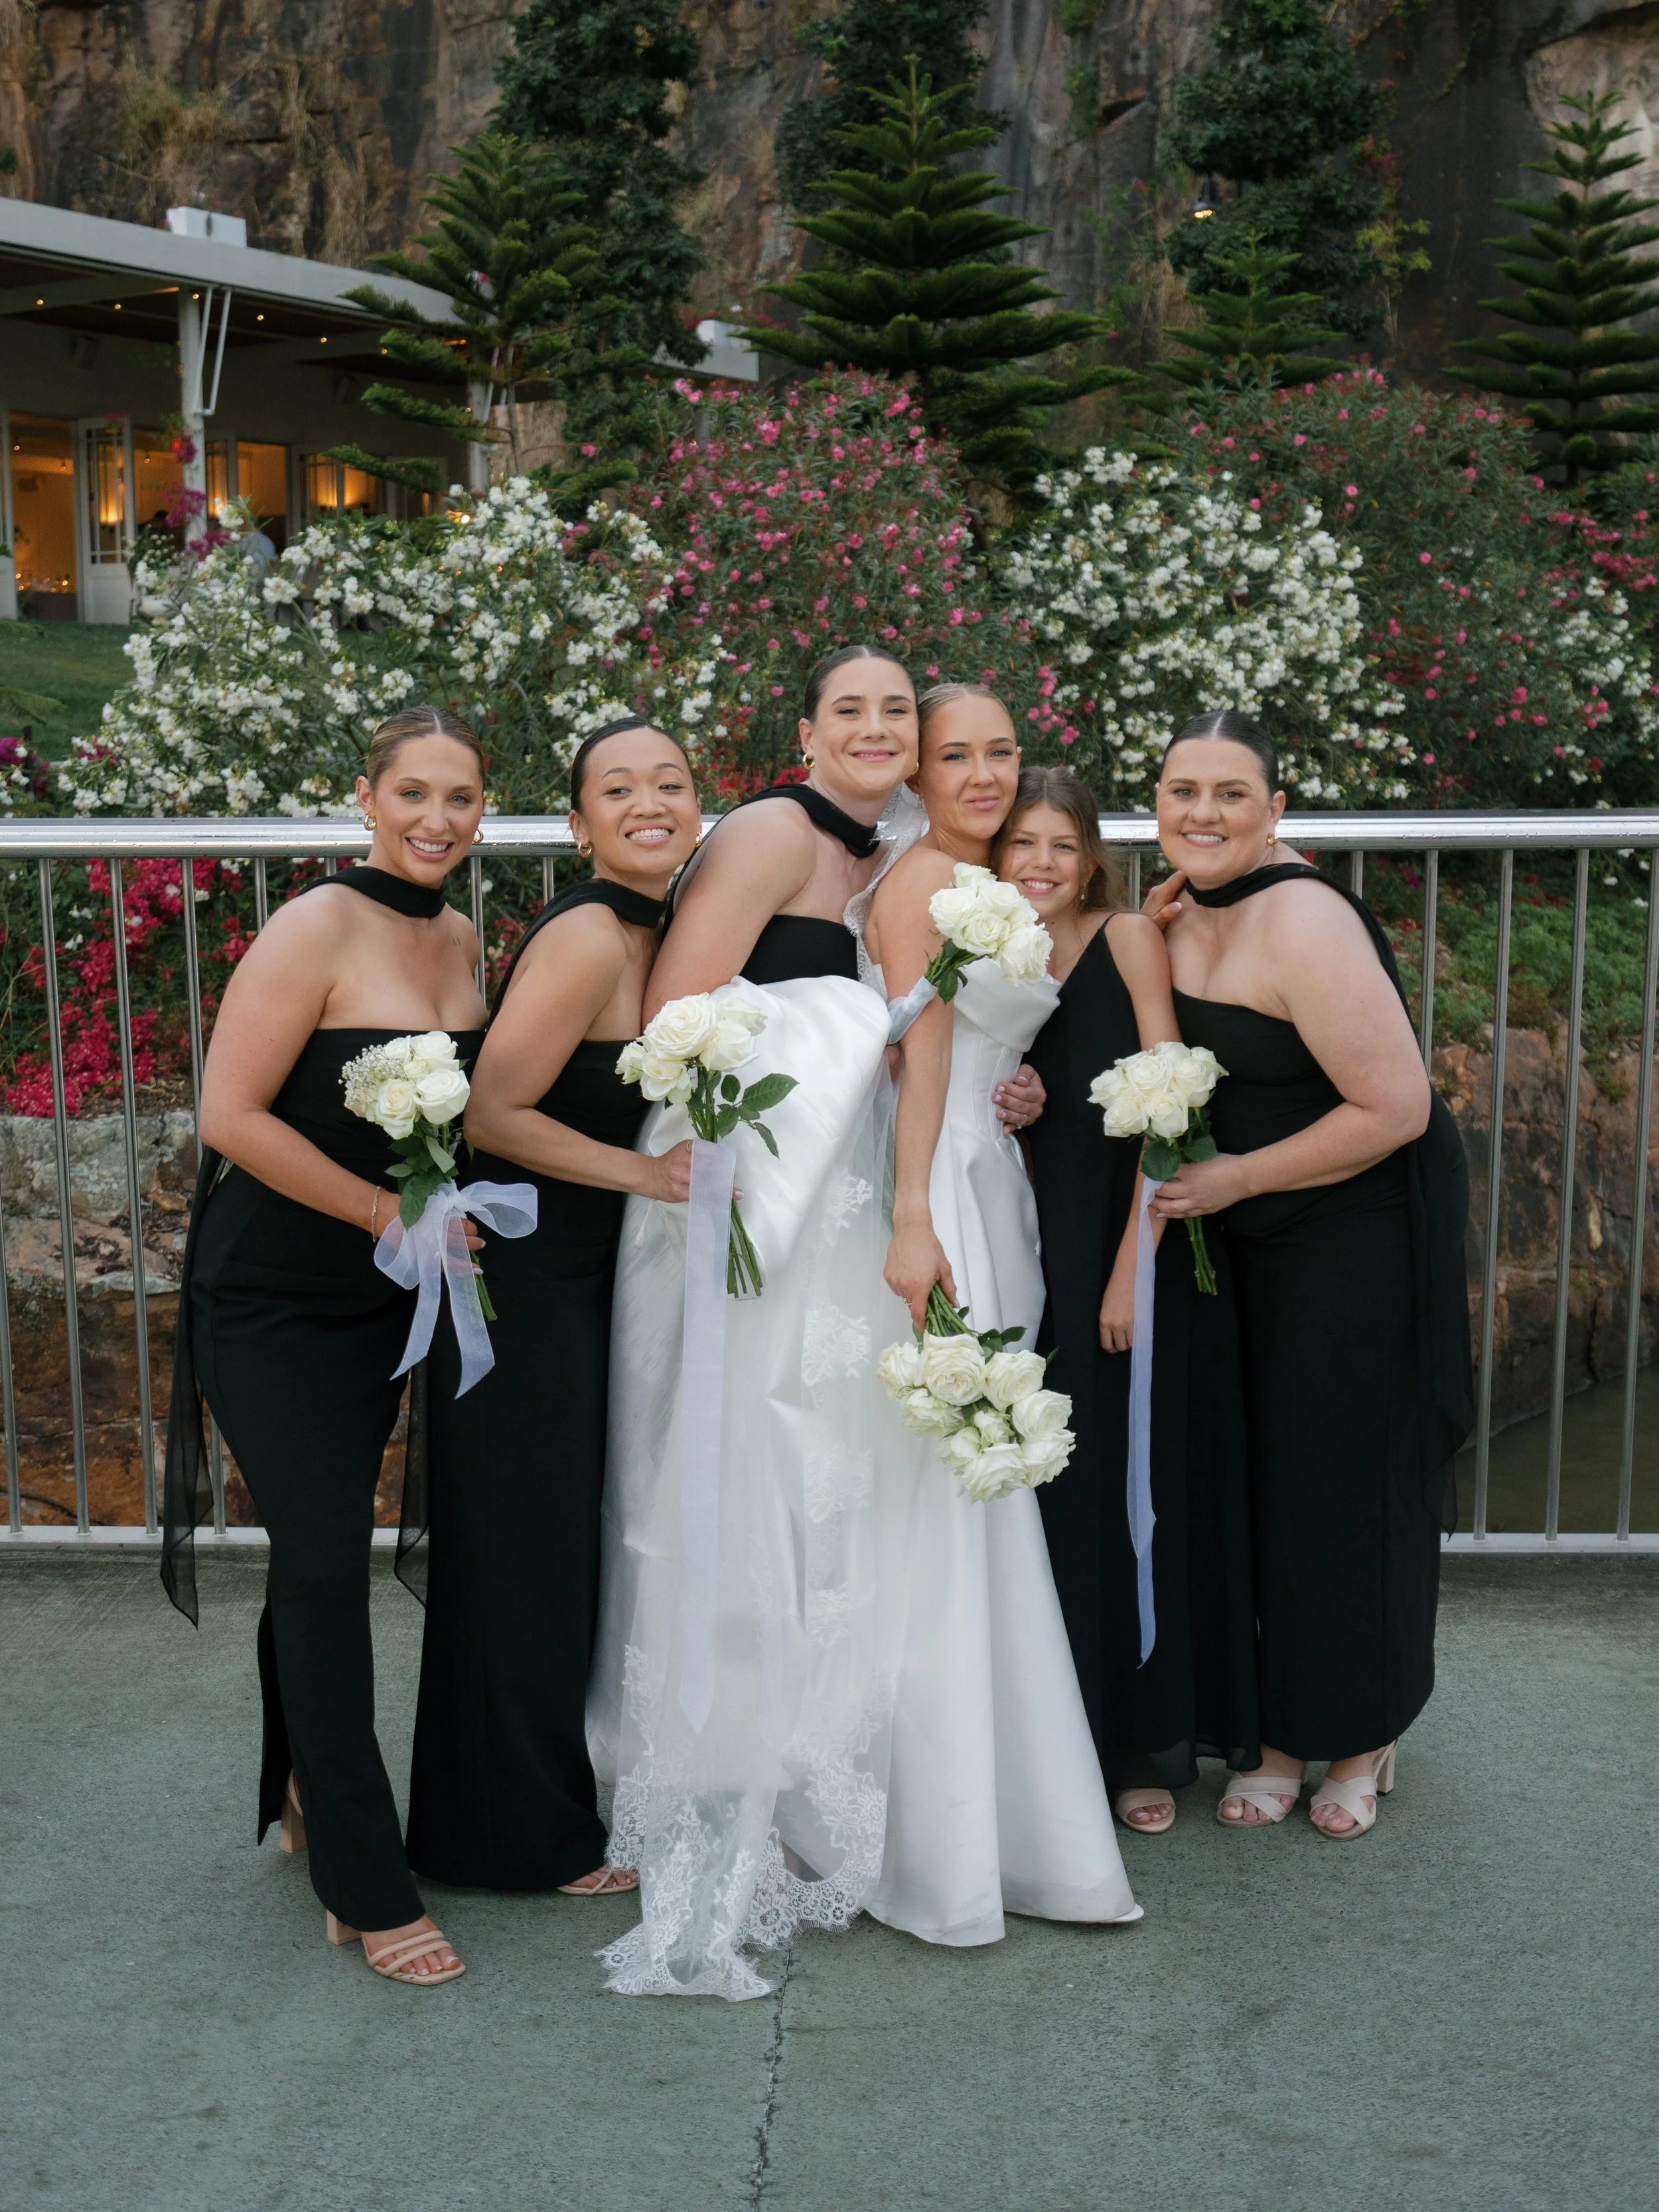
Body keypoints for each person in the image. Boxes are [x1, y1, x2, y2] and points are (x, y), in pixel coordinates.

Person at [590, 644, 933, 2000]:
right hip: (735, 1196)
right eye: (846, 707)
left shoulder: (890, 850)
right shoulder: (775, 829)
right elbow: (677, 1019)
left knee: (818, 1479)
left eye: (895, 708)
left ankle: (809, 1755)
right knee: (729, 1472)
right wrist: (852, 1020)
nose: (873, 726)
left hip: (833, 1211)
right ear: (803, 730)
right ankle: (718, 1758)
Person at [162, 705, 491, 1982]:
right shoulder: (314, 925)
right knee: (320, 1562)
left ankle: (298, 1778)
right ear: (366, 797)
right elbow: (229, 1114)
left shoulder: (463, 936)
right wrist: (379, 1212)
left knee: (316, 1556)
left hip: (384, 1303)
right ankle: (367, 1880)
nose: (435, 819)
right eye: (412, 792)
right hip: (274, 1299)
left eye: (459, 798)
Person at [1149, 711, 1471, 1838]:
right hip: (1245, 1239)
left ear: (1277, 810)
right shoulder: (1177, 910)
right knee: (1264, 1482)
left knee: (1344, 1486)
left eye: (1231, 793)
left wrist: (1236, 1182)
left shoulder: (1305, 920)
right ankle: (1277, 1732)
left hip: (1357, 1230)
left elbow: (1396, 1109)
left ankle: (1362, 1736)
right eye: (1182, 790)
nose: (1203, 812)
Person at [405, 718, 701, 1896]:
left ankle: (500, 1816)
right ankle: (523, 1839)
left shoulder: (657, 927)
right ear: (578, 825)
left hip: (583, 1275)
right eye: (617, 789)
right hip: (526, 1280)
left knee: (544, 1547)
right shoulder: (589, 934)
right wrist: (649, 1175)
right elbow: (493, 1114)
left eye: (670, 784)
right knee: (524, 1553)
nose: (648, 802)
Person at [863, 696, 1140, 1937]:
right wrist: (915, 1211)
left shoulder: (986, 882)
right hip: (946, 1189)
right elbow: (912, 1055)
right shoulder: (926, 880)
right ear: (916, 769)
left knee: (983, 1472)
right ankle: (960, 1794)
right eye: (957, 755)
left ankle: (997, 1764)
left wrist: (1008, 1089)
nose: (982, 776)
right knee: (948, 1483)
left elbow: (968, 1045)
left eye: (1000, 754)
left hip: (992, 1175)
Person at [1007, 765, 1259, 1834]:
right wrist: (1013, 1094)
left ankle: (1138, 1743)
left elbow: (1167, 1105)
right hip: (1020, 1233)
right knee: (1044, 1495)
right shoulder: (982, 946)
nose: (1042, 866)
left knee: (1126, 1486)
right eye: (1023, 845)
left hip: (1121, 1234)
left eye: (1063, 846)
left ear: (1093, 857)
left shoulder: (1125, 939)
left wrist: (1129, 1267)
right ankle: (1054, 1733)